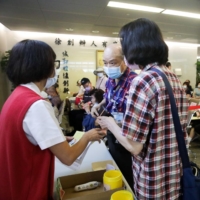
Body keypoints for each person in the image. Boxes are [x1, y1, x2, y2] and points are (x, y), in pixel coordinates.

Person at [0, 39, 106, 199]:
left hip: (13, 184)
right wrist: (87, 136)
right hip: (29, 190)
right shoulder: (36, 105)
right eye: (53, 64)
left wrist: (58, 140)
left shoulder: (17, 96)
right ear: (44, 66)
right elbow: (68, 157)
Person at [97, 18, 188, 199]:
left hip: (152, 178)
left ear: (136, 46)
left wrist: (111, 123)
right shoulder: (173, 79)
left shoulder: (143, 80)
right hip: (174, 173)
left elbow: (134, 146)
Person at [91, 44, 137, 190]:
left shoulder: (134, 82)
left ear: (124, 61)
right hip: (113, 131)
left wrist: (114, 123)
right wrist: (98, 104)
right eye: (105, 63)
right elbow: (109, 97)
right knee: (116, 168)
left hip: (127, 136)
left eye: (113, 62)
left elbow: (137, 117)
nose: (108, 67)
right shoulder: (111, 79)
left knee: (128, 175)